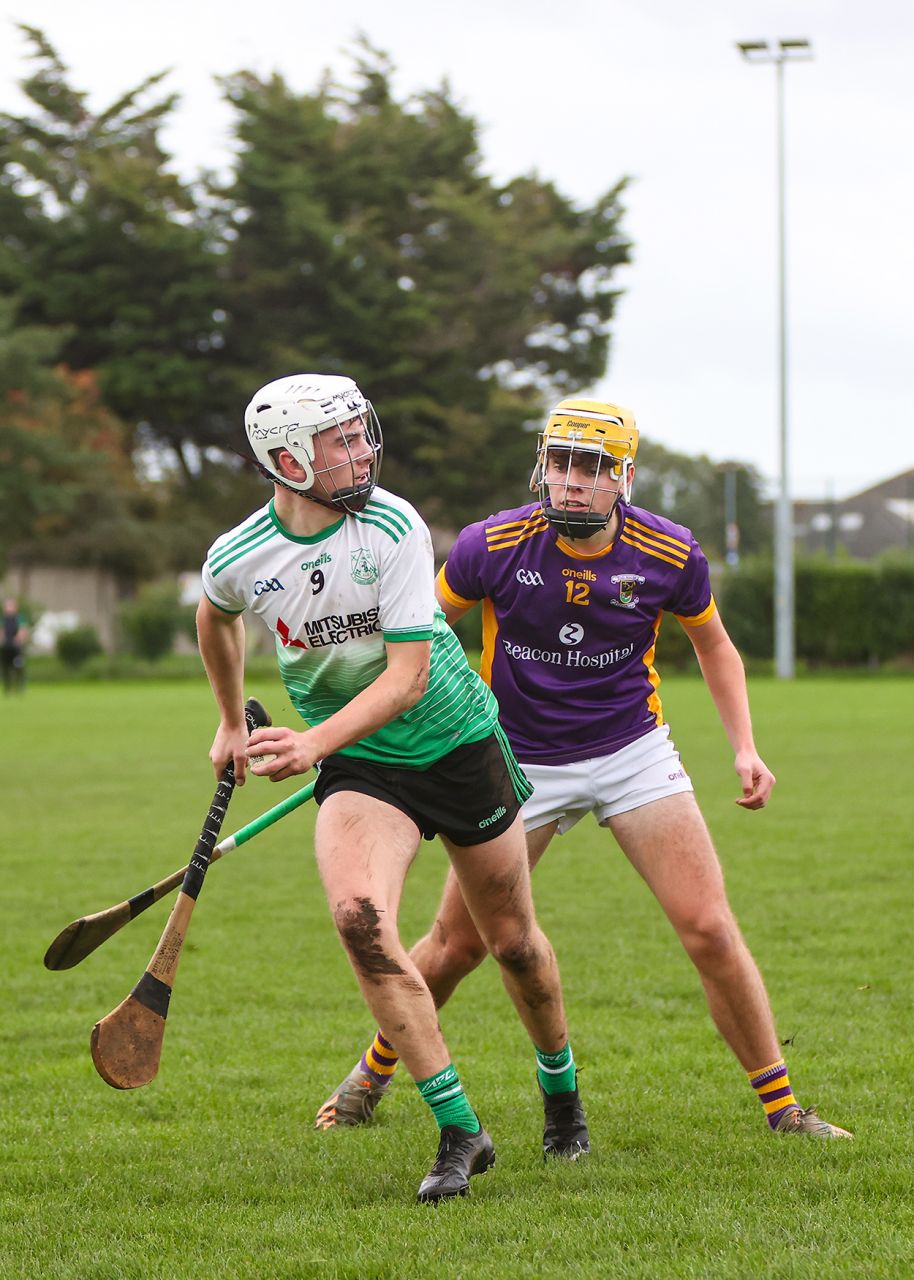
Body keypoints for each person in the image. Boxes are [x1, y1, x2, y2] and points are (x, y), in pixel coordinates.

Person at [316, 397, 852, 1141]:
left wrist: (745, 746)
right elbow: (422, 636)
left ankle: (784, 1108)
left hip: (632, 752)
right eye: (561, 462)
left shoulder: (669, 553)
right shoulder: (490, 545)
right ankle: (368, 1079)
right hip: (514, 758)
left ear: (624, 478)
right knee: (462, 945)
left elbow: (715, 646)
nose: (571, 481)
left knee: (709, 929)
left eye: (592, 467)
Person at [196, 373, 590, 1205]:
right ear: (287, 459)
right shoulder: (240, 556)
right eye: (341, 441)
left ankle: (562, 1097)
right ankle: (460, 1130)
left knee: (512, 941)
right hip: (361, 764)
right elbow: (215, 613)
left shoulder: (392, 525)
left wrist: (309, 742)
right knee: (359, 922)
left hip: (456, 744)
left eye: (361, 432)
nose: (364, 450)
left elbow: (409, 679)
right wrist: (231, 721)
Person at [2, 598, 28, 693]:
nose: (8, 608)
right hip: (6, 647)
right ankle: (7, 688)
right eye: (7, 606)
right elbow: (1, 631)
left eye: (10, 606)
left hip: (16, 647)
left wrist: (19, 638)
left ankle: (20, 686)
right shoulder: (3, 619)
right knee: (5, 667)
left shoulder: (19, 618)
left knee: (18, 666)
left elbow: (23, 630)